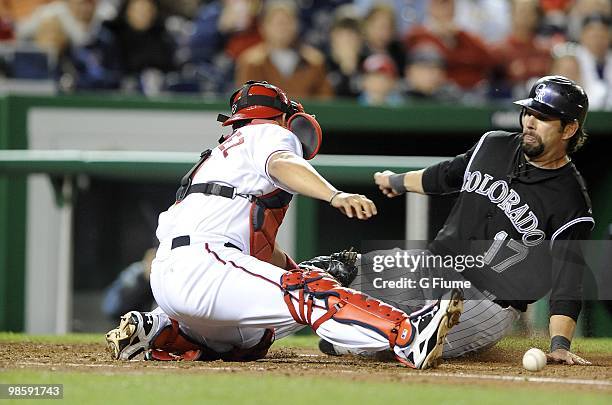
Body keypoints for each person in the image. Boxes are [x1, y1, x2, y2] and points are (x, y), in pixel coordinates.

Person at [105, 80, 464, 369]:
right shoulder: (266, 132)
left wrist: (295, 269)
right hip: (205, 265)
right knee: (308, 292)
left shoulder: (218, 158)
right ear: (280, 117)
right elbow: (281, 164)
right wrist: (334, 195)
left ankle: (162, 333)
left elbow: (256, 248)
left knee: (252, 339)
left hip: (172, 283)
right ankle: (406, 335)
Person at [321, 75, 594, 365]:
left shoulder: (571, 202)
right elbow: (447, 175)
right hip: (430, 267)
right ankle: (274, 329)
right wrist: (397, 181)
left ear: (569, 129)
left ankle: (362, 339)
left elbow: (568, 280)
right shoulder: (494, 144)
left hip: (487, 302)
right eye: (528, 112)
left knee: (415, 341)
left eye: (543, 117)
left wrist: (560, 344)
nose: (529, 121)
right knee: (335, 272)